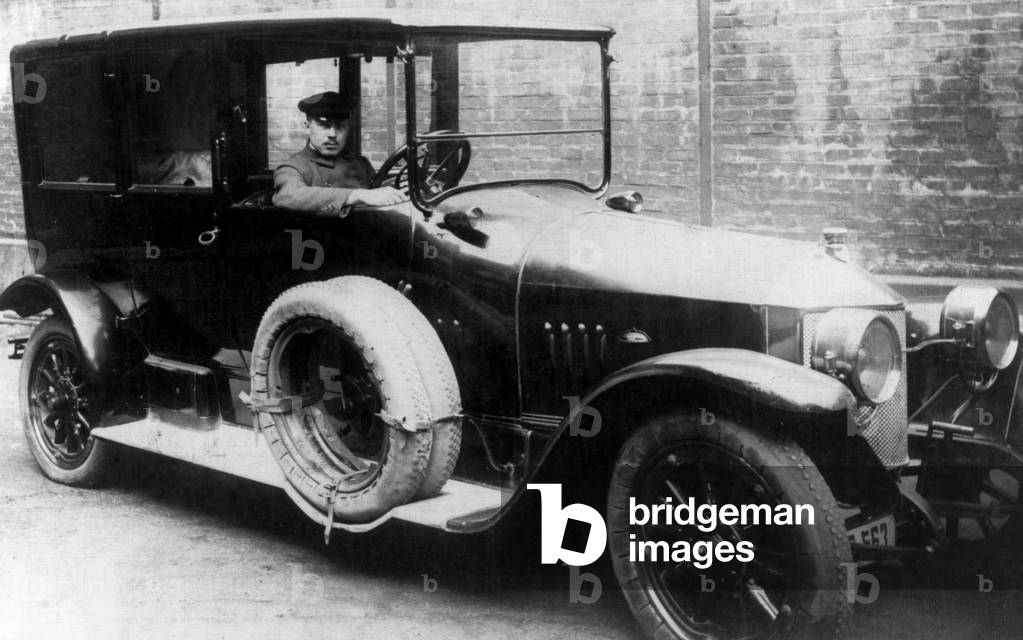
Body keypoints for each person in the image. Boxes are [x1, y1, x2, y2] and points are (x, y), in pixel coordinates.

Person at [272, 91, 405, 214]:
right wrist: (355, 195)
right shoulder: (293, 168)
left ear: (348, 128)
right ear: (307, 126)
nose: (333, 134)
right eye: (324, 125)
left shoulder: (361, 164)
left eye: (340, 126)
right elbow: (288, 196)